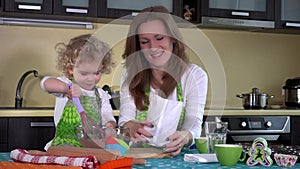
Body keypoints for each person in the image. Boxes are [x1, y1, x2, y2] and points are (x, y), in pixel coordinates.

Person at [118, 6, 208, 156]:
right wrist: (130, 127)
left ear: (173, 38)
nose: (153, 47)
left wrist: (184, 137)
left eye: (159, 38)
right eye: (145, 41)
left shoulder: (194, 76)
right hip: (138, 157)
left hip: (177, 159)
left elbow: (194, 125)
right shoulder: (130, 76)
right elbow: (125, 121)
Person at [40, 34, 116, 150]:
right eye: (84, 73)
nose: (91, 79)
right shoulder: (65, 84)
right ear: (71, 69)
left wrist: (110, 125)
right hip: (64, 146)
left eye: (96, 73)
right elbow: (45, 83)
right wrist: (66, 88)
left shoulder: (101, 94)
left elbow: (107, 115)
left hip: (91, 146)